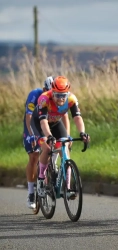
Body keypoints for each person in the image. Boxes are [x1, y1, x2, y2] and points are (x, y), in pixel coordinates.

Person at [30, 76, 90, 199]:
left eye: (64, 95)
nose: (61, 99)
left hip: (56, 122)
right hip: (39, 123)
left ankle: (67, 188)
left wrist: (82, 133)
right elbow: (43, 122)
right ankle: (41, 179)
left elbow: (77, 118)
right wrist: (49, 136)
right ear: (52, 92)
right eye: (57, 95)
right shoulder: (44, 99)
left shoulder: (72, 99)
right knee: (46, 148)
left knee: (65, 148)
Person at [23, 76, 70, 209]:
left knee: (57, 146)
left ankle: (52, 171)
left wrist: (68, 136)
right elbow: (29, 117)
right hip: (35, 123)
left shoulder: (61, 99)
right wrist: (33, 136)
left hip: (53, 123)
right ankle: (31, 193)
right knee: (33, 156)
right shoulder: (36, 95)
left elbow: (65, 117)